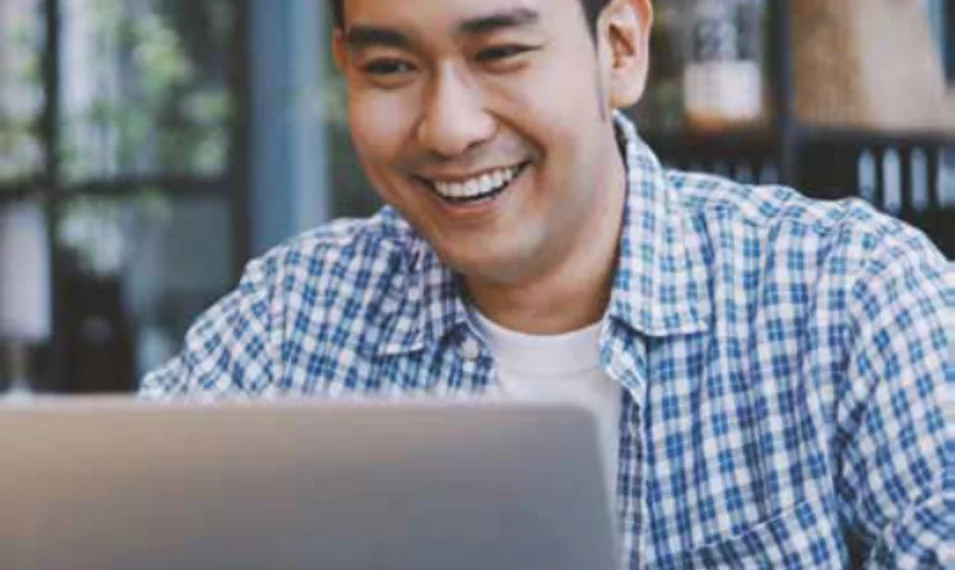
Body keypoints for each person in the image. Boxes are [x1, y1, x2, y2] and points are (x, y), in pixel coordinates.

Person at [141, 0, 952, 567]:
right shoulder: (291, 320)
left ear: (619, 49)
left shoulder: (849, 296)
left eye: (499, 54)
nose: (449, 128)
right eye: (389, 66)